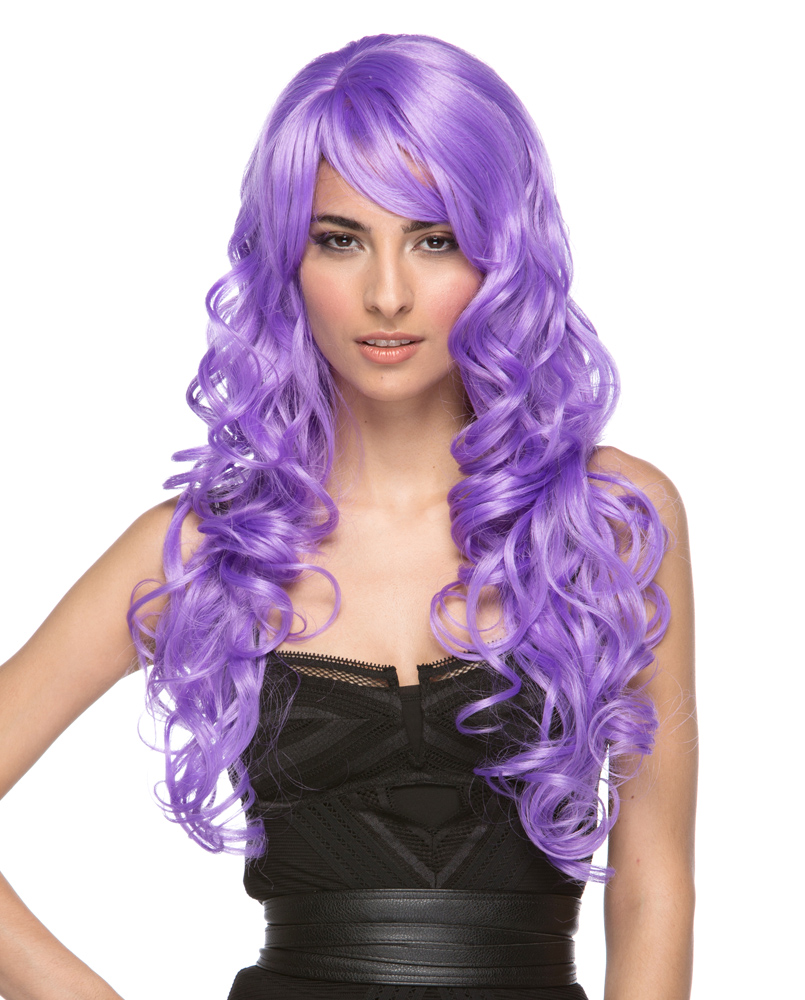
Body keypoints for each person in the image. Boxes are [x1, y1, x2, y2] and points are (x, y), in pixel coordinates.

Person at [0, 33, 697, 1000]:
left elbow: (654, 888)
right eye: (341, 239)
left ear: (502, 253)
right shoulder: (208, 546)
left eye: (433, 239)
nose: (387, 294)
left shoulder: (610, 521)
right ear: (288, 257)